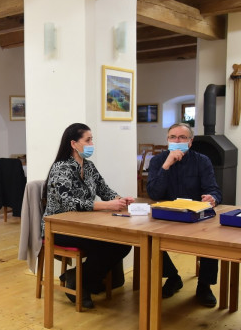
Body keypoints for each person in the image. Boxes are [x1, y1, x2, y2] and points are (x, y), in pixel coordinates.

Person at [42, 123, 134, 309]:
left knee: (124, 243)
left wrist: (120, 199)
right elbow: (68, 203)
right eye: (88, 139)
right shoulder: (61, 168)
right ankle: (82, 283)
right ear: (74, 144)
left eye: (92, 139)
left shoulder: (89, 166)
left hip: (84, 224)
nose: (92, 143)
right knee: (106, 244)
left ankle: (77, 278)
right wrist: (107, 205)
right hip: (60, 227)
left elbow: (104, 189)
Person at [146, 123, 222, 307]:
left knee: (212, 240)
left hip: (195, 216)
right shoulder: (157, 161)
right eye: (173, 137)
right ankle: (172, 277)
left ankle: (204, 286)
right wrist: (167, 165)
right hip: (165, 216)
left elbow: (214, 190)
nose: (177, 141)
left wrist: (212, 198)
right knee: (146, 239)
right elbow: (154, 194)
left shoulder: (202, 160)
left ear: (190, 142)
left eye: (182, 138)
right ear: (167, 140)